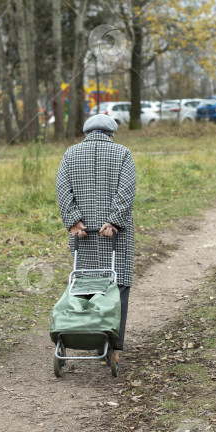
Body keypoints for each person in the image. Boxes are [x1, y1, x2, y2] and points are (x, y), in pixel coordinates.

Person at [56, 113, 137, 363]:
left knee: (83, 285)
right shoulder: (123, 154)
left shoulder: (70, 154)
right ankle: (113, 347)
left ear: (87, 132)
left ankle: (82, 335)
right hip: (115, 234)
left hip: (84, 234)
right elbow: (127, 189)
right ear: (111, 133)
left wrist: (74, 222)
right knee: (117, 285)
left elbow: (62, 188)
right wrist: (114, 220)